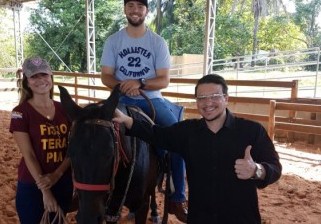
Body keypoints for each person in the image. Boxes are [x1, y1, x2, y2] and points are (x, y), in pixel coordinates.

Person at [113, 73, 282, 224]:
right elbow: (156, 134)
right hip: (200, 218)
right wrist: (126, 120)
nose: (207, 103)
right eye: (201, 98)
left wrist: (256, 170)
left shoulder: (251, 131)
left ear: (226, 98)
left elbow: (275, 168)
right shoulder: (187, 131)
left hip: (241, 218)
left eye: (214, 96)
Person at [100, 0, 188, 222]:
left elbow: (164, 80)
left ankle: (178, 197)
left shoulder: (157, 42)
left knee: (178, 139)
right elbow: (106, 76)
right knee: (92, 132)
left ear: (146, 11)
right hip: (120, 97)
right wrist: (122, 86)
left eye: (139, 7)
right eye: (130, 6)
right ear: (125, 9)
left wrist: (139, 83)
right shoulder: (113, 41)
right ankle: (89, 194)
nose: (135, 10)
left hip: (152, 99)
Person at [9, 57, 73, 223]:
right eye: (34, 76)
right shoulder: (19, 113)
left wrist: (57, 175)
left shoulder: (65, 109)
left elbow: (73, 149)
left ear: (51, 77)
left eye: (44, 75)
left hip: (62, 182)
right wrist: (46, 192)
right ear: (27, 82)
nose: (40, 80)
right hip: (33, 184)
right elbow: (28, 154)